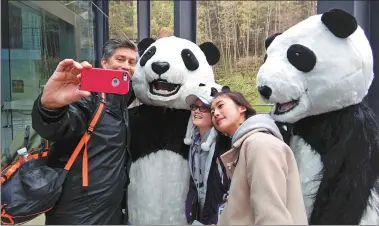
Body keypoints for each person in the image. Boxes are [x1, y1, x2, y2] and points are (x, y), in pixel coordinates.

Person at [31, 38, 137, 225]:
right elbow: (57, 127)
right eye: (120, 59)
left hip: (110, 211)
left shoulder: (120, 98)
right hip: (78, 214)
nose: (126, 66)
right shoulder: (87, 97)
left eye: (131, 62)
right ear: (104, 62)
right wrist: (49, 107)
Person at [210, 91, 308, 225]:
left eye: (220, 106)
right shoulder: (248, 145)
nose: (215, 113)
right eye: (212, 111)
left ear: (242, 107)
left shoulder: (259, 144)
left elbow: (272, 217)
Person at [184, 92, 231, 225]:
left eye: (203, 108)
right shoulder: (194, 142)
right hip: (198, 214)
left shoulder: (225, 145)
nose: (196, 111)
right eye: (194, 107)